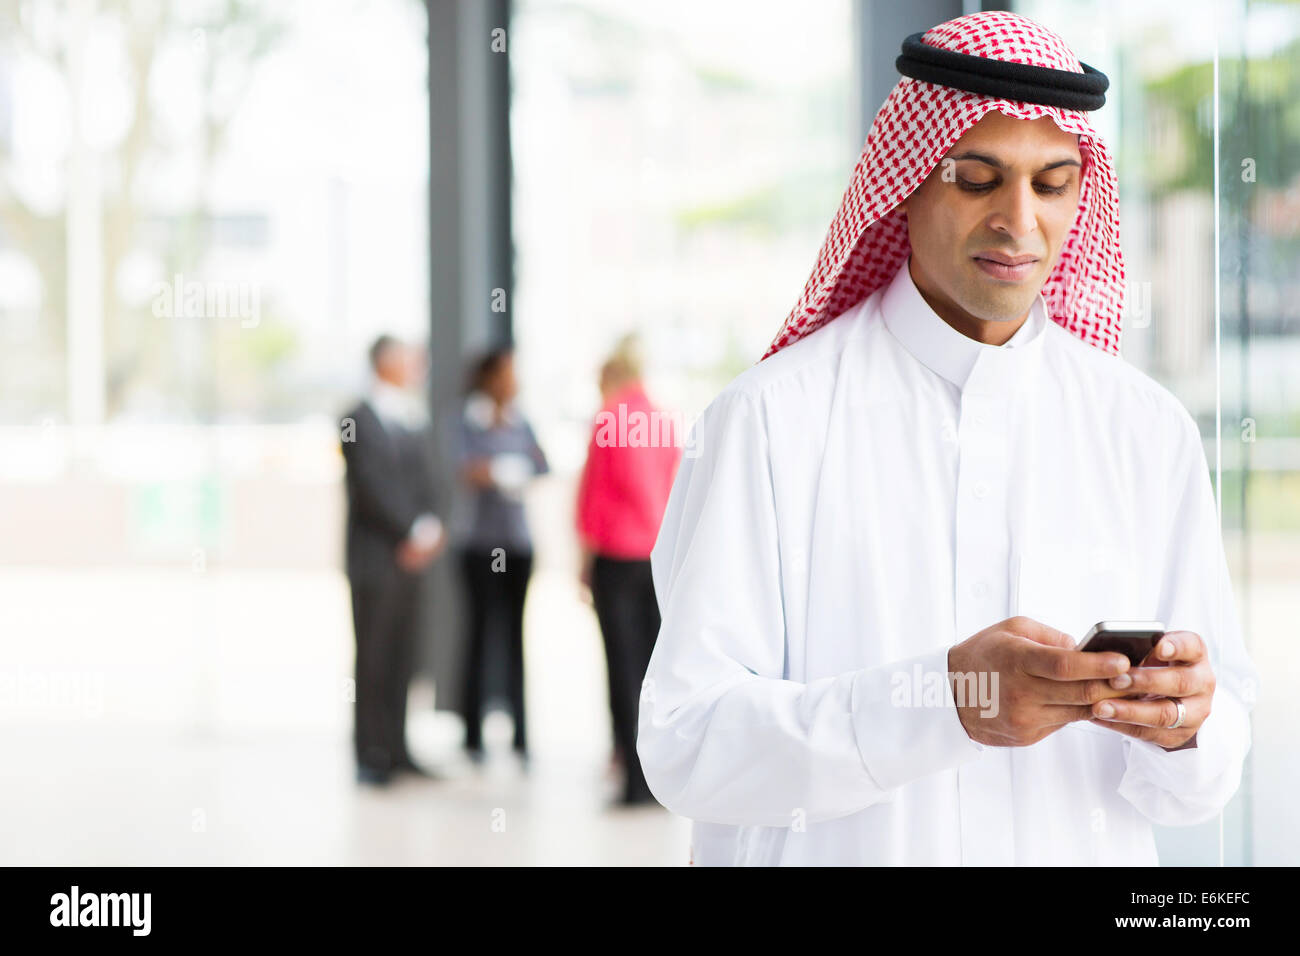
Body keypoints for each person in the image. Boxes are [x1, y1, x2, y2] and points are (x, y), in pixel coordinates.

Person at [638, 11, 1258, 866]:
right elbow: (687, 744)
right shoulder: (770, 421)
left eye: (1052, 183)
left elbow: (1206, 771)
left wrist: (1186, 724)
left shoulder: (1144, 430)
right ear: (904, 184)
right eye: (976, 178)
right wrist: (948, 703)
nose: (1020, 220)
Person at [575, 337, 681, 805]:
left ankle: (632, 777)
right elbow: (675, 488)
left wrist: (584, 560)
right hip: (655, 557)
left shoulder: (609, 418)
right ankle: (659, 777)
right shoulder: (662, 419)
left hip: (617, 558)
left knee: (621, 665)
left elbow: (594, 495)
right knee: (653, 668)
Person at [341, 335, 447, 786]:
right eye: (405, 359)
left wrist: (431, 527)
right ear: (384, 363)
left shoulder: (412, 417)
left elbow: (430, 481)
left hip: (411, 561)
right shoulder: (355, 418)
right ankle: (371, 752)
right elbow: (369, 485)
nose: (413, 366)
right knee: (373, 657)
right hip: (375, 559)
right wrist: (409, 530)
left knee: (406, 655)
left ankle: (400, 748)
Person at [451, 346, 549, 763]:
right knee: (478, 635)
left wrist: (503, 466)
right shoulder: (466, 420)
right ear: (489, 378)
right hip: (478, 545)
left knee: (515, 638)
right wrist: (499, 468)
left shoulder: (520, 420)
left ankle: (520, 736)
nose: (514, 382)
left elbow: (542, 464)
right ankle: (473, 736)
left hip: (517, 545)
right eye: (507, 374)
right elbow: (465, 468)